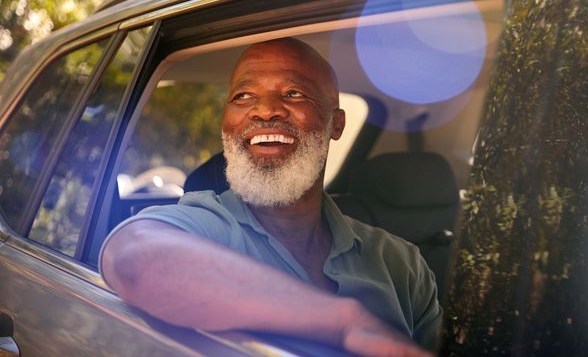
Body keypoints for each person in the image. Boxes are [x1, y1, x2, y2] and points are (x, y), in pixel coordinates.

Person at [100, 38, 442, 357]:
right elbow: (133, 259)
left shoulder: (401, 264)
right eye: (243, 97)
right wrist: (346, 322)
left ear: (335, 125)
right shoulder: (207, 224)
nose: (264, 111)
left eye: (293, 94)